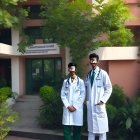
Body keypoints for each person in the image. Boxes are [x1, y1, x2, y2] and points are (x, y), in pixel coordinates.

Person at [85, 53, 112, 140]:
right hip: (91, 107)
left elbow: (109, 88)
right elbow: (87, 89)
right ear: (90, 61)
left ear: (97, 61)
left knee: (102, 132)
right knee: (91, 132)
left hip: (99, 106)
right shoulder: (88, 75)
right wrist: (87, 102)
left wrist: (102, 101)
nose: (93, 62)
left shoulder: (103, 74)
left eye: (94, 60)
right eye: (91, 60)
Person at [61, 62, 86, 140]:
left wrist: (74, 107)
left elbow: (82, 95)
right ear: (68, 70)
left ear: (76, 69)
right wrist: (68, 106)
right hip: (67, 108)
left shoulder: (81, 82)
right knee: (66, 129)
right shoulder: (65, 82)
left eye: (73, 68)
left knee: (77, 129)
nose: (72, 70)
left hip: (77, 109)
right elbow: (62, 95)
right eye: (70, 68)